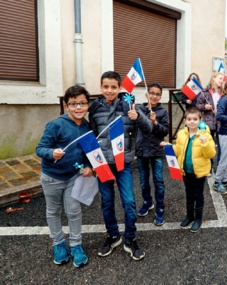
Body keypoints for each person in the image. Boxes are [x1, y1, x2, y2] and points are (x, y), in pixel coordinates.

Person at [89, 71, 152, 260]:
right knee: (107, 202)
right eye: (105, 87)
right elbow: (91, 134)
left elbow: (148, 128)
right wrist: (91, 163)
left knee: (129, 202)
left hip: (123, 162)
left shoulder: (129, 104)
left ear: (120, 88)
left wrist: (137, 117)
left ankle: (130, 238)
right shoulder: (95, 108)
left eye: (113, 87)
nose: (109, 90)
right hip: (103, 164)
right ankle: (113, 235)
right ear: (101, 87)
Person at [36, 85, 93, 267]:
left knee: (74, 211)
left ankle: (76, 245)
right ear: (66, 105)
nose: (78, 107)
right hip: (52, 177)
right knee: (53, 211)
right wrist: (51, 153)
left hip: (73, 177)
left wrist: (88, 166)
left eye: (82, 103)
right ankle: (58, 244)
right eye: (73, 103)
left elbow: (87, 153)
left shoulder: (87, 127)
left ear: (87, 105)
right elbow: (40, 149)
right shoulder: (56, 125)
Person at [166, 108, 216, 232]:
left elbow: (211, 154)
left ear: (200, 120)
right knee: (189, 193)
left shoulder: (205, 135)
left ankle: (198, 218)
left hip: (198, 172)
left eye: (195, 119)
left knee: (198, 195)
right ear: (185, 120)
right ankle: (189, 216)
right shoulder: (182, 134)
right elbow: (178, 150)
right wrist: (168, 147)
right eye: (189, 119)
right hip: (185, 170)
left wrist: (205, 143)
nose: (192, 122)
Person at [136, 82, 170, 225]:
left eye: (157, 94)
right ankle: (147, 202)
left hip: (156, 150)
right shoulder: (139, 109)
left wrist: (155, 122)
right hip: (142, 150)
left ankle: (160, 207)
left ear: (160, 96)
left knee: (158, 181)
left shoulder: (163, 112)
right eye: (151, 93)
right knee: (143, 181)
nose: (154, 96)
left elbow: (165, 131)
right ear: (146, 94)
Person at [196, 72, 224, 174]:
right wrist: (204, 107)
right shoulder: (205, 92)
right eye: (220, 78)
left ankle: (220, 167)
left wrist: (220, 111)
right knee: (209, 145)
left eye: (222, 79)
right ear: (214, 78)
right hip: (209, 122)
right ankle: (209, 166)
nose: (222, 81)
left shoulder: (223, 92)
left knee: (221, 146)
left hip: (220, 122)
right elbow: (198, 105)